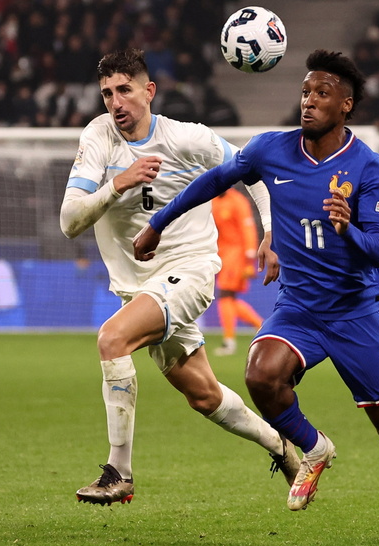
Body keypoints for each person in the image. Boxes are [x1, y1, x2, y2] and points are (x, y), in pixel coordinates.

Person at [134, 49, 379, 546]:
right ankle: (314, 448)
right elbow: (214, 180)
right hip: (300, 307)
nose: (308, 102)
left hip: (357, 311)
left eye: (322, 94)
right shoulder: (271, 150)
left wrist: (347, 226)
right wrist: (157, 222)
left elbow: (378, 250)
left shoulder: (366, 166)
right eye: (305, 92)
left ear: (345, 105)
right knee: (261, 373)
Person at [59, 48, 299, 506]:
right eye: (107, 93)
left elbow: (256, 173)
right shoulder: (99, 138)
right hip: (140, 288)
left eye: (125, 90)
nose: (116, 102)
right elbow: (70, 222)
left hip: (189, 271)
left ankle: (118, 473)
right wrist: (117, 184)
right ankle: (283, 446)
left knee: (112, 340)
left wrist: (272, 231)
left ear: (149, 91)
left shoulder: (188, 140)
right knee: (204, 396)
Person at [211, 188, 264, 356]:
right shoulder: (212, 200)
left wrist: (249, 259)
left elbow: (248, 228)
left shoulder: (238, 200)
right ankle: (262, 327)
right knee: (229, 298)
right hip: (222, 255)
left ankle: (229, 341)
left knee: (225, 295)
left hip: (237, 255)